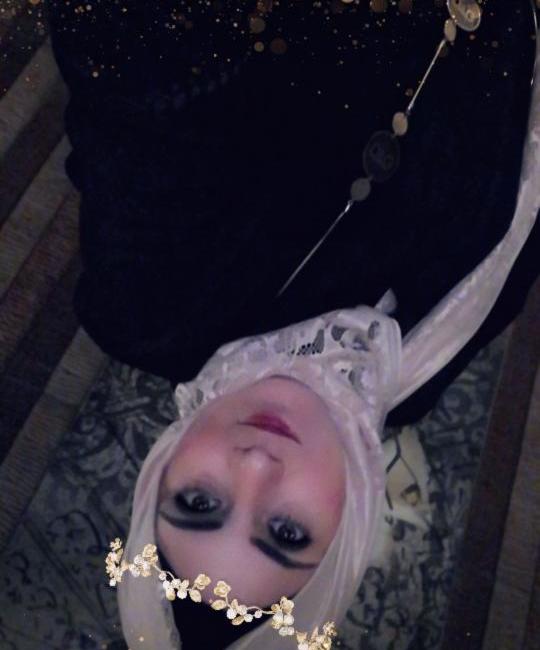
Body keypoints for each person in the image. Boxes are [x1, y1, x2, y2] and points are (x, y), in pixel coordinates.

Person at [44, 0, 540, 427]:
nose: (255, 467)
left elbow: (124, 71)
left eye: (197, 497)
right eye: (285, 517)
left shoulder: (149, 310)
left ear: (165, 464)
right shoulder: (417, 377)